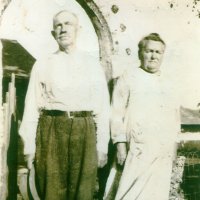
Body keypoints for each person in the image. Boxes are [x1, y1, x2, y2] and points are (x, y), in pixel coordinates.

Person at [19, 10, 110, 200]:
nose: (63, 29)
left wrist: (102, 146)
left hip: (83, 130)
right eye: (58, 25)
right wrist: (29, 148)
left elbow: (102, 109)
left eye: (68, 24)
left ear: (78, 29)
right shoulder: (43, 64)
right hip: (51, 129)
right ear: (53, 33)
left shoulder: (92, 65)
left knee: (83, 191)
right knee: (51, 190)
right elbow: (31, 109)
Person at [111, 33, 180, 200]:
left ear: (163, 55)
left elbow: (175, 118)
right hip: (136, 149)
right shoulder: (129, 77)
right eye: (149, 51)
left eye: (158, 52)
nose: (153, 56)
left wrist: (174, 147)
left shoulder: (169, 82)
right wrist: (120, 144)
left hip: (161, 152)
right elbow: (116, 112)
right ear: (140, 53)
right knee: (128, 192)